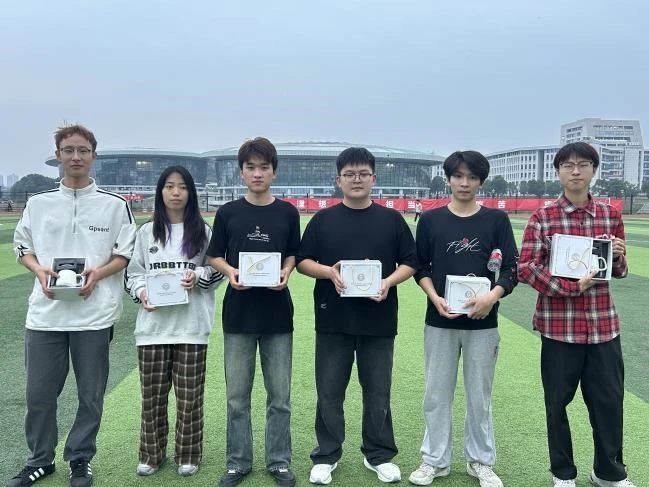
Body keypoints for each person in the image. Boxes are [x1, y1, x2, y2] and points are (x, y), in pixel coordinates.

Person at [10, 124, 136, 487]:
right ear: (58, 156)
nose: (76, 157)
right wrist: (38, 270)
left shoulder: (115, 205)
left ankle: (80, 459)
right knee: (39, 395)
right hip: (45, 315)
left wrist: (98, 274)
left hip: (94, 315)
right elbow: (23, 247)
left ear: (94, 155)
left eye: (83, 150)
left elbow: (124, 253)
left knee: (90, 395)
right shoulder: (39, 203)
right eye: (68, 151)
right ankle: (40, 460)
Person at [297, 147, 418, 485]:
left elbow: (411, 261)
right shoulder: (323, 220)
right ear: (338, 180)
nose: (356, 179)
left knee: (378, 391)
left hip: (379, 319)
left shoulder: (391, 220)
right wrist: (329, 272)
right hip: (333, 318)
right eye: (349, 174)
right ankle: (327, 454)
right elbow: (302, 261)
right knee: (329, 391)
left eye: (363, 174)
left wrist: (388, 282)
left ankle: (378, 454)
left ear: (373, 178)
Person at [518, 142, 635, 487]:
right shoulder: (543, 218)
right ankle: (563, 473)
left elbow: (619, 271)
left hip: (603, 327)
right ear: (558, 171)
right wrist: (571, 287)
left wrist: (618, 257)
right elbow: (526, 268)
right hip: (559, 329)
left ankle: (608, 473)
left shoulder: (610, 215)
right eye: (568, 165)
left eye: (583, 164)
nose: (575, 171)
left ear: (593, 170)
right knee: (557, 404)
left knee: (609, 403)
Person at [408, 151, 517, 487]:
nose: (464, 183)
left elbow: (510, 270)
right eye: (458, 176)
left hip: (483, 323)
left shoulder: (496, 221)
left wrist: (490, 298)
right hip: (440, 319)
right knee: (436, 394)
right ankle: (434, 461)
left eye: (471, 177)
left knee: (479, 396)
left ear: (480, 181)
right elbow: (420, 267)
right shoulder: (431, 220)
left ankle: (480, 461)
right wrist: (434, 297)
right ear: (449, 179)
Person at [206, 137, 300, 487]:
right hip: (238, 315)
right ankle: (238, 462)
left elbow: (293, 253)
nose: (257, 173)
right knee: (236, 397)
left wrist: (286, 271)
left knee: (280, 397)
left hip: (277, 315)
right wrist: (230, 272)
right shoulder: (228, 212)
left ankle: (279, 461)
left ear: (274, 172)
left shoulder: (287, 212)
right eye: (251, 167)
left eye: (264, 167)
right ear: (242, 172)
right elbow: (214, 255)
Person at [125, 166, 223, 478]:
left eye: (182, 187)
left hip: (192, 327)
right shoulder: (146, 232)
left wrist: (198, 276)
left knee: (190, 397)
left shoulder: (203, 232)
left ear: (191, 193)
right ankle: (151, 455)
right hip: (152, 329)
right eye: (169, 186)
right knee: (152, 398)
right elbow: (133, 274)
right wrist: (142, 293)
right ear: (161, 192)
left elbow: (217, 270)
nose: (176, 192)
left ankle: (188, 454)